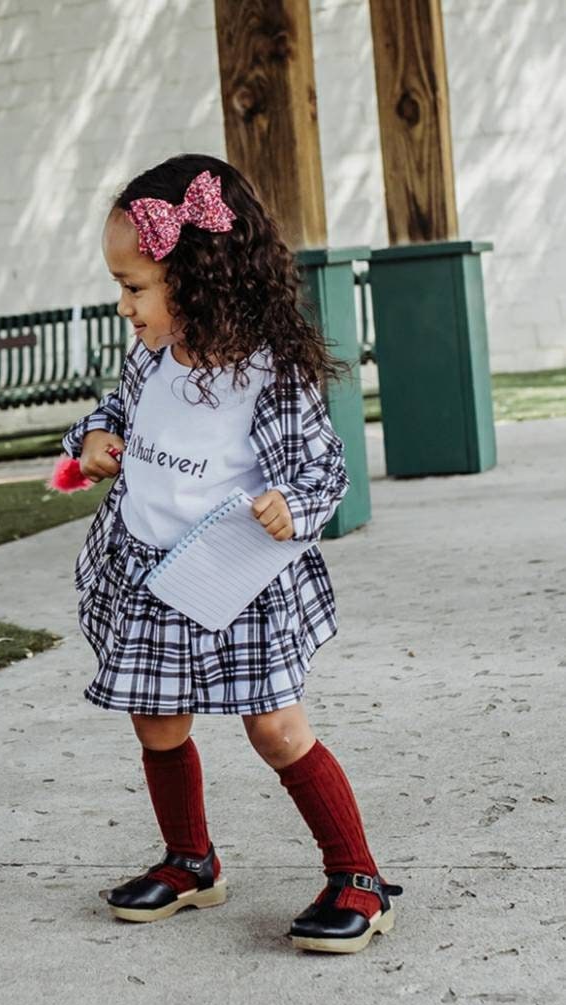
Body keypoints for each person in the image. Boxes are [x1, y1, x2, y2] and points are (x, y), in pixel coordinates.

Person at [62, 154, 400, 954]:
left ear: (200, 277)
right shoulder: (150, 355)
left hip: (233, 582)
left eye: (135, 286)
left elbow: (322, 469)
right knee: (157, 720)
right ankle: (191, 861)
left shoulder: (268, 372)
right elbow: (115, 411)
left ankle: (358, 876)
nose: (123, 305)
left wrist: (295, 504)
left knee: (277, 728)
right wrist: (98, 439)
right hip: (145, 569)